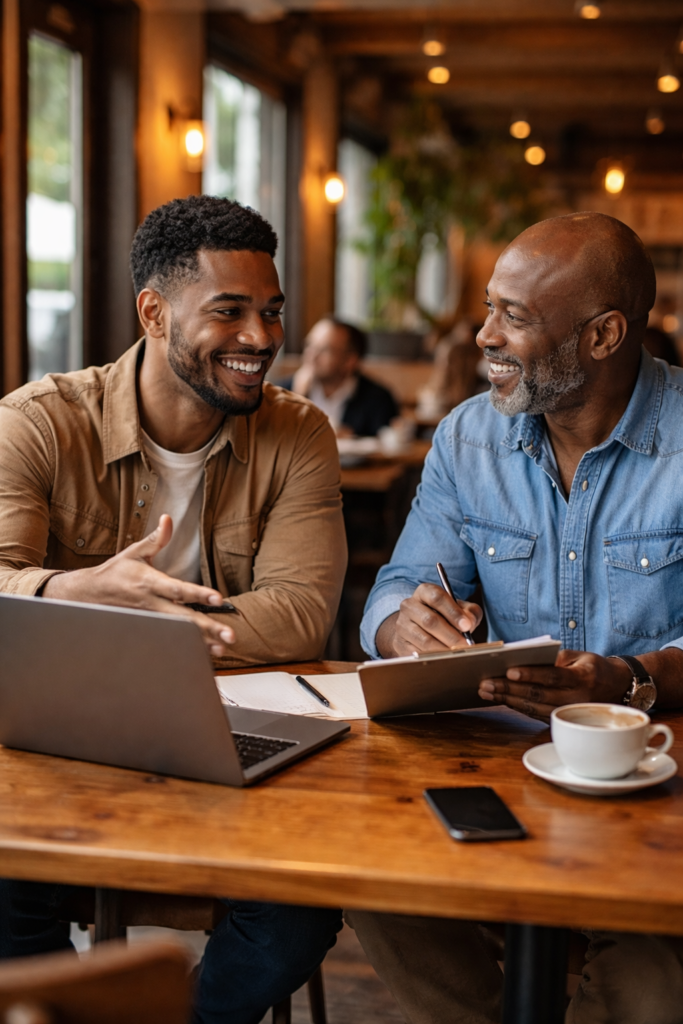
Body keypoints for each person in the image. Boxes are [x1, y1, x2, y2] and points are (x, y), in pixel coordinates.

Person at [0, 195, 346, 1024]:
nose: (262, 339)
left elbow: (301, 613)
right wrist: (75, 589)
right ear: (153, 312)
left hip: (238, 737)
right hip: (62, 743)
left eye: (270, 312)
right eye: (229, 312)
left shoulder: (298, 434)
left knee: (298, 911)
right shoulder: (39, 422)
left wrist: (111, 627)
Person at [350, 211, 683, 1024]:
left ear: (603, 335)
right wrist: (405, 627)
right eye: (487, 308)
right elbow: (392, 590)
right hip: (492, 777)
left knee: (653, 991)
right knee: (375, 889)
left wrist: (632, 680)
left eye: (515, 316)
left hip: (649, 798)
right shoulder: (468, 439)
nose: (483, 337)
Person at [280, 317, 399, 437]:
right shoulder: (283, 391)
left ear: (350, 360)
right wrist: (298, 397)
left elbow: (386, 444)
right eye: (309, 345)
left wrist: (351, 437)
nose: (312, 355)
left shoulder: (378, 399)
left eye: (324, 350)